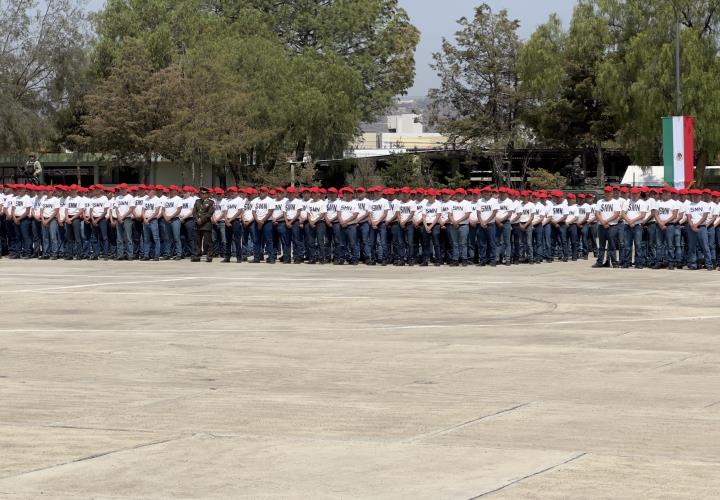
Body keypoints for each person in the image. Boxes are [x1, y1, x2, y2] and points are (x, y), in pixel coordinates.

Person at [192, 187, 215, 262]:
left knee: (208, 241)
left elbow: (209, 213)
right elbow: (194, 212)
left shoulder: (211, 202)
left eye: (203, 193)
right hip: (198, 224)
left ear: (207, 194)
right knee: (198, 241)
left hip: (206, 224)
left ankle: (209, 256)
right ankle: (197, 255)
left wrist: (201, 219)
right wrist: (197, 219)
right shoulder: (197, 201)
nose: (201, 195)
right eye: (201, 193)